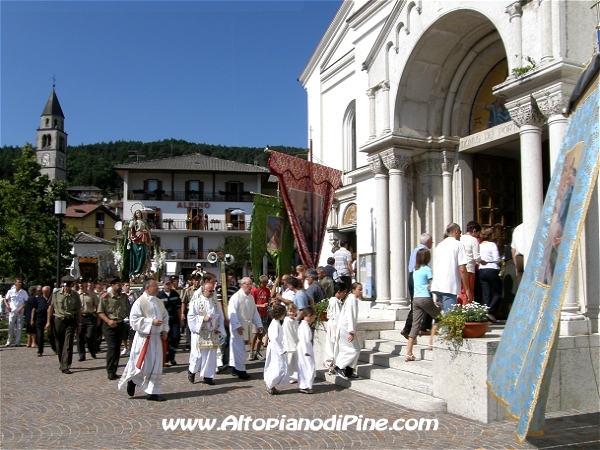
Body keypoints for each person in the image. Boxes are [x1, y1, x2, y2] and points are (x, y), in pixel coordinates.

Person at [118, 278, 169, 402]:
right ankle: (133, 380)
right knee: (144, 365)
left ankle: (153, 393)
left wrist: (164, 330)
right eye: (155, 286)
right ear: (147, 288)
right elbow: (134, 320)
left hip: (156, 339)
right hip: (144, 339)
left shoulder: (159, 302)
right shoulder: (139, 302)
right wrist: (151, 322)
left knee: (156, 365)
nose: (158, 288)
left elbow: (165, 316)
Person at [187, 280, 225, 385]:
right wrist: (202, 318)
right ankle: (192, 371)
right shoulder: (196, 302)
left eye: (213, 291)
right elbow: (190, 317)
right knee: (198, 355)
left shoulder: (215, 303)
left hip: (212, 333)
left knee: (210, 356)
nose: (212, 293)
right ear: (203, 291)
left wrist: (219, 328)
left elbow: (221, 317)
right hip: (199, 333)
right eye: (210, 291)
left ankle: (208, 376)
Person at [406, 249, 441, 361]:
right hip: (425, 298)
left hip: (415, 299)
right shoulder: (427, 269)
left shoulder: (415, 270)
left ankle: (409, 353)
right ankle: (431, 343)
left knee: (415, 326)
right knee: (439, 318)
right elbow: (433, 285)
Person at [430, 223, 471, 312]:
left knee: (446, 316)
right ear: (456, 231)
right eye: (460, 232)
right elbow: (462, 268)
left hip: (438, 285)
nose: (460, 235)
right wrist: (467, 289)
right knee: (450, 318)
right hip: (449, 286)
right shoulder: (458, 244)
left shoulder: (439, 245)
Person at [46, 275, 82, 374]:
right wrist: (48, 322)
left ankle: (65, 365)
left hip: (70, 320)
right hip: (58, 320)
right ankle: (62, 362)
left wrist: (79, 323)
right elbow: (51, 308)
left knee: (68, 343)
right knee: (59, 343)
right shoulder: (56, 293)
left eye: (69, 286)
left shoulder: (75, 295)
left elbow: (79, 310)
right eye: (66, 286)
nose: (67, 288)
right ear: (63, 285)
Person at [228, 277, 263, 380]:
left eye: (251, 284)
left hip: (247, 326)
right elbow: (231, 312)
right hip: (239, 326)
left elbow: (255, 312)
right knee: (240, 349)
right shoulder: (236, 297)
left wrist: (259, 324)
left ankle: (235, 368)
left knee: (243, 348)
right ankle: (241, 371)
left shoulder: (251, 298)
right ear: (242, 285)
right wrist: (236, 325)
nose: (250, 287)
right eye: (248, 284)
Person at [400, 233, 433, 340]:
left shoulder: (415, 250)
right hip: (420, 278)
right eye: (431, 241)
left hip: (412, 277)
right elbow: (425, 267)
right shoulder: (424, 251)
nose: (432, 243)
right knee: (427, 301)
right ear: (428, 242)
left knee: (415, 303)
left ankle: (407, 327)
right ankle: (424, 326)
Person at [98, 277, 130, 380]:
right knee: (112, 347)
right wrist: (108, 321)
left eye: (120, 284)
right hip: (109, 325)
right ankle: (110, 371)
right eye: (118, 284)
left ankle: (114, 370)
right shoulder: (105, 297)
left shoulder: (124, 297)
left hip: (120, 324)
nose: (120, 286)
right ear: (112, 285)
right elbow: (100, 312)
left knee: (117, 348)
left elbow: (128, 310)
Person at [332, 282, 362, 380]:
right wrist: (351, 331)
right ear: (353, 290)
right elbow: (351, 316)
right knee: (353, 349)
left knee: (355, 348)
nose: (361, 292)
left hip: (346, 327)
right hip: (346, 328)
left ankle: (349, 370)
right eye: (359, 289)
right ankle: (339, 367)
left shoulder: (351, 299)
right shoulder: (352, 299)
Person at [264, 304, 289, 395]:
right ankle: (269, 384)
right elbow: (274, 339)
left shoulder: (277, 323)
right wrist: (280, 350)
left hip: (277, 348)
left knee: (277, 368)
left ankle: (272, 385)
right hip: (275, 349)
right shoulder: (275, 324)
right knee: (278, 368)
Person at [479, 227, 503, 323]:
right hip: (492, 269)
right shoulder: (492, 245)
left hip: (481, 270)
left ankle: (486, 314)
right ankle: (490, 311)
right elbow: (497, 259)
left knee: (486, 293)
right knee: (498, 292)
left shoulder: (479, 245)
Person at [216, 270, 238, 373]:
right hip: (223, 317)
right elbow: (220, 303)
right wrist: (224, 317)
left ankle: (228, 360)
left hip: (232, 317)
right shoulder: (219, 288)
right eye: (229, 275)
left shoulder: (234, 288)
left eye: (232, 275)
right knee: (222, 341)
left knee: (230, 340)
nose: (231, 277)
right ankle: (220, 362)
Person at [157, 277, 182, 366]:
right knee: (167, 338)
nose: (168, 285)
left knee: (176, 337)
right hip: (164, 321)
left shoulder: (175, 294)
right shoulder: (159, 296)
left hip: (174, 319)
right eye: (166, 284)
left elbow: (178, 307)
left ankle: (171, 356)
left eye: (169, 284)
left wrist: (180, 319)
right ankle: (167, 357)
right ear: (163, 284)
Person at [459, 221, 484, 304]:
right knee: (468, 292)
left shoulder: (460, 238)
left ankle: (459, 311)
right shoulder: (473, 240)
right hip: (469, 269)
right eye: (478, 233)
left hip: (459, 268)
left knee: (461, 291)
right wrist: (482, 261)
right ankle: (466, 311)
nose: (478, 235)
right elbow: (476, 257)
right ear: (474, 231)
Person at [324, 282, 346, 371]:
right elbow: (337, 316)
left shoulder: (334, 301)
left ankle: (332, 363)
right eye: (343, 292)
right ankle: (331, 364)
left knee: (332, 343)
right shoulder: (334, 301)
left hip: (333, 324)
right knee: (333, 343)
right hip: (334, 325)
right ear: (338, 291)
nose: (344, 294)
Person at [77, 279, 99, 361]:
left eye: (82, 283)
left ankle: (91, 349)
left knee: (90, 336)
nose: (81, 285)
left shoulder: (92, 294)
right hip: (80, 317)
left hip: (90, 317)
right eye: (79, 283)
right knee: (80, 337)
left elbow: (97, 307)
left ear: (86, 284)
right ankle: (82, 354)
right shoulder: (76, 294)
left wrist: (98, 318)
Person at [249, 275, 270, 361]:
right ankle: (251, 352)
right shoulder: (254, 290)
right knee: (254, 334)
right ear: (260, 282)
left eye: (266, 283)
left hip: (264, 314)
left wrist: (269, 302)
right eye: (263, 283)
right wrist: (260, 305)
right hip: (255, 314)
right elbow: (251, 304)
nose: (265, 285)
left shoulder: (267, 290)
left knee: (260, 335)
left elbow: (268, 299)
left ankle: (257, 352)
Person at [297, 306, 316, 394]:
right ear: (309, 315)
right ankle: (306, 386)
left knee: (306, 367)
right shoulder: (304, 326)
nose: (314, 319)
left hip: (304, 348)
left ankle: (306, 385)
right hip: (304, 349)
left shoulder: (304, 325)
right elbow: (304, 340)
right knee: (307, 367)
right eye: (313, 317)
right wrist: (306, 351)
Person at [4, 278, 28, 346]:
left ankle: (17, 342)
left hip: (20, 310)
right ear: (15, 283)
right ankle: (9, 341)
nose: (20, 284)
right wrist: (7, 306)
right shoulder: (10, 291)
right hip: (12, 310)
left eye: (21, 282)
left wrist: (22, 307)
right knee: (11, 326)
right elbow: (5, 299)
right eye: (19, 282)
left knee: (19, 327)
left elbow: (26, 301)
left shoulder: (23, 292)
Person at [128, 209, 152, 276]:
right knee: (136, 254)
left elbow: (148, 231)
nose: (138, 214)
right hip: (136, 238)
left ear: (141, 214)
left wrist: (150, 239)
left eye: (139, 213)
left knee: (143, 254)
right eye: (136, 213)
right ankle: (136, 270)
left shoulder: (144, 222)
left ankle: (142, 270)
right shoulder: (133, 222)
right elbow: (129, 229)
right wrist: (129, 238)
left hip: (143, 238)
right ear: (135, 214)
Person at [30, 286, 51, 356]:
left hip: (49, 319)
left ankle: (55, 348)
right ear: (43, 292)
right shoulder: (38, 299)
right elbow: (33, 309)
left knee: (51, 335)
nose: (47, 293)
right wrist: (32, 319)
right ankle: (40, 351)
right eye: (45, 292)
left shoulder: (51, 298)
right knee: (40, 335)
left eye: (48, 292)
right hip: (39, 319)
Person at [282, 303, 299, 384]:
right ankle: (289, 376)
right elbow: (288, 333)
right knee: (289, 361)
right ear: (287, 312)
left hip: (295, 343)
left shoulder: (295, 320)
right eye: (290, 311)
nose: (292, 313)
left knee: (294, 361)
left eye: (293, 312)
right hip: (289, 344)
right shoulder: (287, 321)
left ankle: (294, 376)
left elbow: (296, 331)